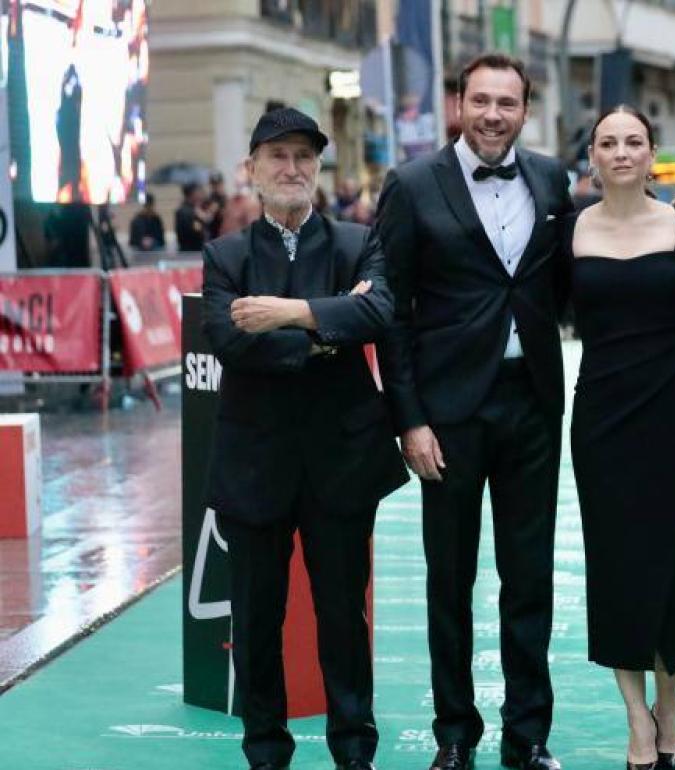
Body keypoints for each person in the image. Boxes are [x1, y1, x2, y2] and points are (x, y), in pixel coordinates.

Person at [373, 53, 575, 770]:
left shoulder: (553, 180)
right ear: (459, 103)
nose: (494, 115)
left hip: (532, 406)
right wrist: (410, 419)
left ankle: (529, 738)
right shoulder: (411, 183)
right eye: (482, 100)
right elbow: (389, 312)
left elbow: (576, 280)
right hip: (447, 415)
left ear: (525, 109)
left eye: (508, 103)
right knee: (449, 579)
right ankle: (455, 736)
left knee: (530, 578)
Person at [201, 107, 409, 770]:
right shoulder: (225, 254)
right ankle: (266, 751)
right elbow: (231, 340)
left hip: (343, 460)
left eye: (303, 157)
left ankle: (354, 751)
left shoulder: (355, 243)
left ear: (318, 169)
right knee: (256, 623)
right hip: (255, 464)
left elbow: (378, 312)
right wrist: (327, 333)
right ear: (253, 170)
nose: (292, 168)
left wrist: (289, 315)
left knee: (344, 618)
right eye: (278, 156)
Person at [562, 105, 675, 770]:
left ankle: (669, 710)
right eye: (608, 142)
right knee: (615, 568)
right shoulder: (566, 232)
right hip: (600, 420)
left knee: (671, 568)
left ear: (653, 153)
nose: (621, 152)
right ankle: (636, 723)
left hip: (674, 414)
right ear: (592, 155)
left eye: (634, 142)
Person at [176, 182, 209, 252]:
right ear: (192, 194)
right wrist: (203, 219)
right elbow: (197, 231)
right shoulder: (186, 212)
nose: (200, 195)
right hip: (191, 252)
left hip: (194, 250)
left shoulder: (193, 209)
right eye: (198, 192)